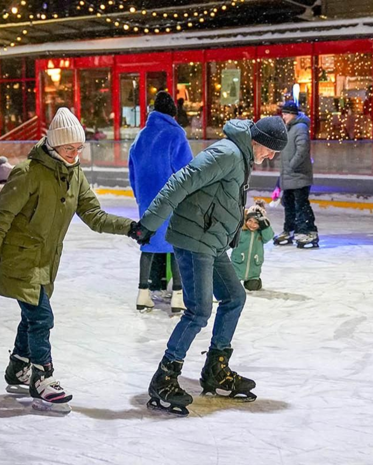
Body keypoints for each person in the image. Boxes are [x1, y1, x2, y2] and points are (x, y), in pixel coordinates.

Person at [0, 108, 135, 413]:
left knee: (32, 316)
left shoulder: (75, 175)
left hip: (46, 262)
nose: (75, 154)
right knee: (41, 317)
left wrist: (131, 227)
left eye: (78, 148)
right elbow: (0, 217)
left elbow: (94, 215)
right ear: (53, 145)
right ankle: (41, 378)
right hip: (19, 260)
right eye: (68, 148)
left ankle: (18, 366)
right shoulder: (28, 173)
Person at [129, 115, 288, 416]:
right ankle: (164, 377)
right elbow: (181, 182)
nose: (270, 157)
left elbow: (219, 199)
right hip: (193, 239)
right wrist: (148, 224)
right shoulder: (226, 153)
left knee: (234, 297)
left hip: (211, 240)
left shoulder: (240, 157)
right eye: (270, 150)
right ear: (258, 141)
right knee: (199, 311)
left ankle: (216, 369)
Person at [128, 91, 192, 314]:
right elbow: (187, 170)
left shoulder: (141, 136)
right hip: (172, 198)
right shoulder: (176, 134)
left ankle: (143, 293)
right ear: (173, 113)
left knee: (149, 243)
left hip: (147, 199)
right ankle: (177, 296)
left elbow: (132, 171)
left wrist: (140, 196)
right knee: (176, 244)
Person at [274, 100, 318, 248]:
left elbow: (302, 149)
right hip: (289, 175)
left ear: (292, 114)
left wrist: (292, 165)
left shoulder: (300, 128)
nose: (283, 116)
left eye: (285, 113)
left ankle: (308, 231)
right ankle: (290, 230)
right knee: (289, 204)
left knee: (301, 204)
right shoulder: (288, 128)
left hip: (299, 175)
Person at [231, 200, 274, 291]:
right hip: (238, 263)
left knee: (253, 286)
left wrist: (265, 227)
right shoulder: (242, 231)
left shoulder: (260, 233)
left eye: (256, 223)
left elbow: (269, 237)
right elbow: (231, 239)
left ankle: (253, 280)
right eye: (250, 221)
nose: (252, 225)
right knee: (233, 286)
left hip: (253, 266)